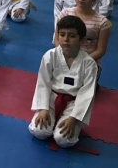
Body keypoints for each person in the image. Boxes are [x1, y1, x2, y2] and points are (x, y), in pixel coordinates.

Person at [29, 15, 98, 148]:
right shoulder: (50, 56)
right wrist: (43, 108)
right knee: (39, 132)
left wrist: (74, 118)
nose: (66, 39)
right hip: (51, 99)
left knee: (63, 139)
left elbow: (86, 94)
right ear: (57, 36)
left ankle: (70, 122)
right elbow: (43, 83)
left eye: (72, 36)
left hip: (73, 104)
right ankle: (51, 118)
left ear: (81, 39)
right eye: (62, 34)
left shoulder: (89, 64)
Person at [55, 0, 112, 68]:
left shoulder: (102, 22)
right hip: (64, 59)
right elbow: (56, 39)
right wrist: (65, 57)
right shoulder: (65, 14)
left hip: (89, 63)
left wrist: (81, 62)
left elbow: (100, 50)